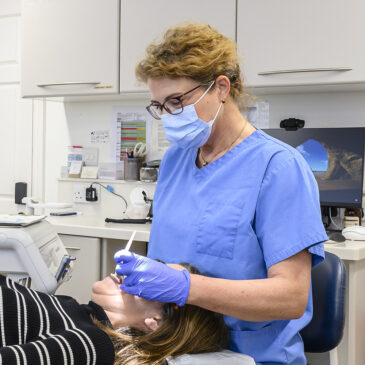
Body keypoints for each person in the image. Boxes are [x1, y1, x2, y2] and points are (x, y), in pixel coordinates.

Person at [114, 23, 328, 365]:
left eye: (176, 101)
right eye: (159, 105)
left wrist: (186, 287)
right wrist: (140, 286)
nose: (168, 116)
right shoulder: (175, 161)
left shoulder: (278, 167)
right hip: (175, 349)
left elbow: (291, 297)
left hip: (250, 356)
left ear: (221, 88)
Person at [0, 263, 228, 365]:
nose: (135, 273)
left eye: (155, 282)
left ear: (155, 322)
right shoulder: (76, 309)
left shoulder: (93, 344)